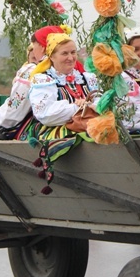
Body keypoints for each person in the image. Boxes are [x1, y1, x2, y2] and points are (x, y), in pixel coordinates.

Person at [18, 31, 99, 194]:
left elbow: (102, 101)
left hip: (88, 122)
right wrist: (79, 107)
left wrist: (90, 105)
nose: (70, 57)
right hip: (56, 126)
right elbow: (45, 113)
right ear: (52, 57)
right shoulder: (43, 80)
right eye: (64, 53)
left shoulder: (87, 78)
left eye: (73, 52)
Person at [0, 25, 68, 140]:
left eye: (34, 46)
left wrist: (1, 123)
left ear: (42, 47)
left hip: (44, 129)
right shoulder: (76, 72)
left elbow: (15, 111)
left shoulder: (32, 72)